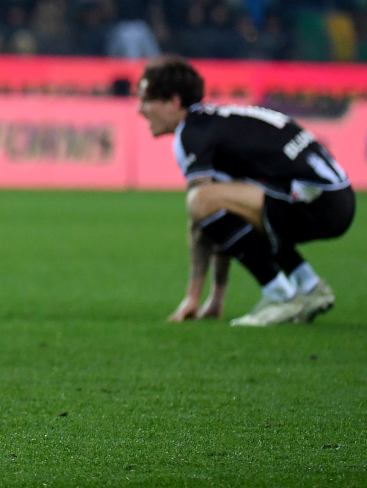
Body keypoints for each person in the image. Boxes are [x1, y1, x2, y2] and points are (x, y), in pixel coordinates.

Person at [136, 56, 354, 327]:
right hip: (336, 197)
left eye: (146, 100)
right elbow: (224, 216)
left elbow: (202, 215)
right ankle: (310, 287)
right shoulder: (218, 122)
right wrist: (216, 297)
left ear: (173, 102)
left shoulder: (191, 134)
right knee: (225, 207)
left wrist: (193, 296)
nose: (139, 110)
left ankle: (281, 295)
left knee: (200, 201)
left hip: (319, 201)